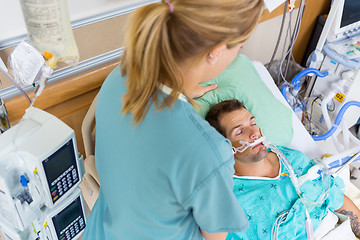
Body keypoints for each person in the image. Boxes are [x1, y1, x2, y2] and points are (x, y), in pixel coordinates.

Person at [82, 1, 265, 239]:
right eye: (239, 47)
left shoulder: (123, 73)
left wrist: (183, 88)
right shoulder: (208, 152)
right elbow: (215, 236)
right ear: (216, 51)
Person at [205, 99, 360, 240]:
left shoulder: (292, 158)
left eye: (252, 123)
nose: (254, 133)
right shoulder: (231, 199)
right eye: (240, 131)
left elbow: (337, 199)